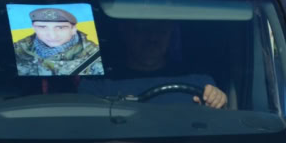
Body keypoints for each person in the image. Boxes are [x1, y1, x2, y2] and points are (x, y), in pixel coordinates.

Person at [79, 19, 227, 108]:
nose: (152, 38)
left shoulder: (200, 82)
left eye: (161, 30)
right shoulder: (96, 85)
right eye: (142, 29)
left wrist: (218, 100)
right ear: (124, 31)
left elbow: (219, 126)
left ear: (171, 33)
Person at [13, 7, 104, 77]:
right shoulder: (18, 50)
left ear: (73, 29)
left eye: (60, 27)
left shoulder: (95, 55)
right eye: (42, 27)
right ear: (33, 28)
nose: (52, 36)